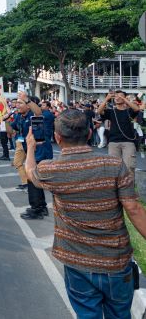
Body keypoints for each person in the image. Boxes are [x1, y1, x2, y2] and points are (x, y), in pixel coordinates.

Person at [25, 109, 146, 318]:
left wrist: (30, 147)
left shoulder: (51, 169)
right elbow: (134, 209)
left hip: (77, 263)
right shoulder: (114, 165)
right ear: (90, 133)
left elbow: (30, 172)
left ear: (57, 138)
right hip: (116, 261)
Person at [12, 91, 52, 220]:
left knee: (32, 180)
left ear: (29, 105)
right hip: (29, 151)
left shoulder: (35, 115)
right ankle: (41, 206)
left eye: (20, 102)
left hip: (40, 152)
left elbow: (38, 112)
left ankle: (37, 209)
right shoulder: (19, 117)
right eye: (17, 102)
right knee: (34, 181)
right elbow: (11, 130)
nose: (16, 105)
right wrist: (4, 119)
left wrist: (27, 100)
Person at [97, 90, 140, 174]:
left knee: (129, 167)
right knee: (114, 168)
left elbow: (137, 109)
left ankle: (129, 186)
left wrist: (125, 99)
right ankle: (116, 186)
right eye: (116, 96)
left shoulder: (128, 111)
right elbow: (99, 111)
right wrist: (107, 98)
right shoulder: (111, 111)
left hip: (128, 142)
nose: (117, 97)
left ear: (124, 98)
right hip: (113, 142)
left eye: (120, 96)